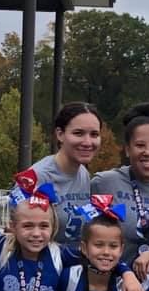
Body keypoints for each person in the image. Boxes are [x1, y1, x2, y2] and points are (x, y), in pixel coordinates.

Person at [91, 103, 149, 275]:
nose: (148, 152)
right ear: (127, 149)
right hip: (111, 283)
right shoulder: (104, 183)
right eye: (140, 145)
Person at [31, 102, 102, 244]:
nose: (88, 142)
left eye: (94, 134)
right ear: (60, 134)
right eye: (78, 133)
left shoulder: (83, 173)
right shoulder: (37, 177)